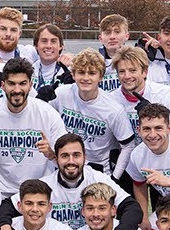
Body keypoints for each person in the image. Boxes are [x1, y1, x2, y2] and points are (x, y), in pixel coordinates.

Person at [0, 57, 68, 198]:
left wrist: (50, 153)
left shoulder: (47, 113)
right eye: (11, 84)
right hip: (1, 192)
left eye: (22, 84)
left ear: (30, 85)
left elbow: (64, 157)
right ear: (2, 85)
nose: (17, 90)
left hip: (39, 192)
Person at [47, 48, 135, 176]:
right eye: (81, 72)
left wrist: (115, 178)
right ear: (73, 75)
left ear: (101, 77)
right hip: (66, 166)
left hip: (99, 170)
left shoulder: (113, 109)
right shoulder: (61, 94)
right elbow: (44, 119)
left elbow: (128, 146)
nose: (86, 78)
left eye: (92, 73)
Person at [108, 45, 170, 140]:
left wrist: (155, 113)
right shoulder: (111, 99)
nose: (127, 76)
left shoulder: (164, 93)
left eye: (133, 70)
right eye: (122, 71)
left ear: (145, 72)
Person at [96, 14, 130, 92]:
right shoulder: (92, 62)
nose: (112, 37)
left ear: (127, 36)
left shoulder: (137, 60)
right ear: (100, 38)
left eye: (117, 32)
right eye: (107, 32)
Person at [30, 24, 71, 90]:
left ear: (61, 46)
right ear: (36, 45)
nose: (48, 46)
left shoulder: (69, 71)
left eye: (53, 41)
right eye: (44, 41)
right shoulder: (30, 71)